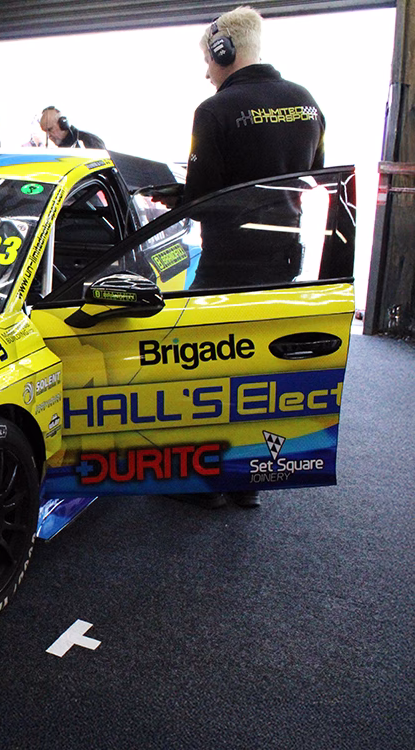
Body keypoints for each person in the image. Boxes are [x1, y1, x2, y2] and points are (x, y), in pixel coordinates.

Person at [175, 6, 326, 510]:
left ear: (225, 51)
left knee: (208, 372)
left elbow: (200, 195)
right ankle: (249, 482)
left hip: (227, 264)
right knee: (263, 371)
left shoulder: (213, 111)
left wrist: (167, 198)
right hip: (283, 259)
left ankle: (208, 483)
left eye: (208, 60)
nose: (206, 71)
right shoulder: (306, 104)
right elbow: (314, 176)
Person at [38, 106, 105, 149]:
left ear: (63, 124)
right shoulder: (62, 149)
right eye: (46, 132)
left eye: (50, 129)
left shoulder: (88, 140)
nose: (49, 136)